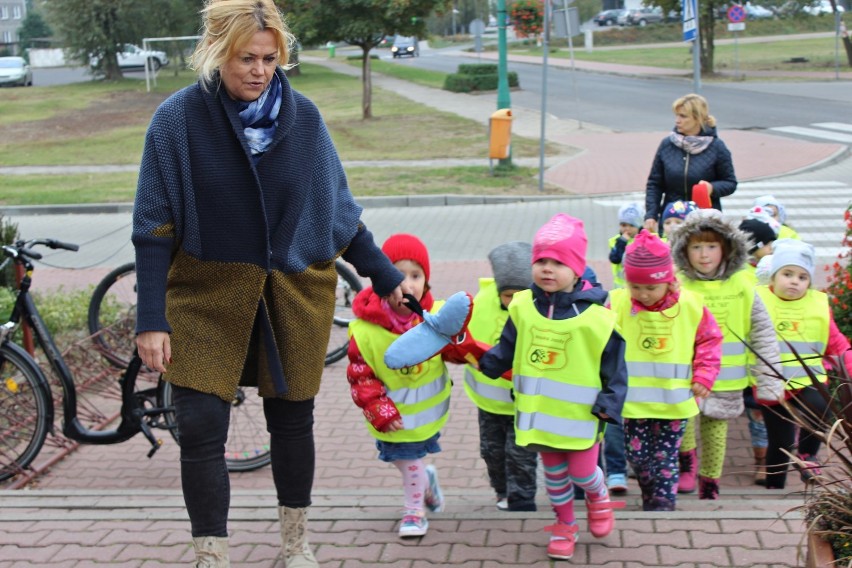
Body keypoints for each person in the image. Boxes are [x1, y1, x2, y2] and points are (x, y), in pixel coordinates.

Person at [131, 2, 406, 565]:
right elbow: (153, 229)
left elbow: (339, 215)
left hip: (292, 292)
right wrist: (150, 319)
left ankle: (296, 544)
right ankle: (211, 553)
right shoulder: (177, 120)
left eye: (269, 58)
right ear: (215, 52)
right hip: (205, 297)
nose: (258, 71)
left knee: (291, 421)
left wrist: (385, 274)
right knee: (202, 424)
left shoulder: (303, 120)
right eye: (245, 58)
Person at [478, 214, 628, 561]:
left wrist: (610, 403)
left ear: (576, 270)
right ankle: (565, 524)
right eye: (541, 260)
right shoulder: (523, 308)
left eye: (558, 262)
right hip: (540, 415)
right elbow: (509, 345)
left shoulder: (596, 318)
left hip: (581, 418)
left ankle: (599, 496)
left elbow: (616, 367)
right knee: (555, 476)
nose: (547, 268)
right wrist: (491, 361)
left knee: (582, 472)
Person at [608, 231, 722, 511]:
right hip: (633, 403)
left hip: (674, 402)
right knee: (637, 457)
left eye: (650, 288)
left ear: (668, 282)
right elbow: (602, 340)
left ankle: (662, 505)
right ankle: (651, 492)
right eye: (635, 287)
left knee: (665, 456)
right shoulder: (618, 303)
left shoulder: (691, 306)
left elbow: (709, 340)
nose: (642, 295)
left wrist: (704, 376)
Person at [669, 211, 779, 497]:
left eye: (711, 246)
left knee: (716, 433)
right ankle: (687, 465)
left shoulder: (744, 284)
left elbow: (763, 333)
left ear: (727, 247)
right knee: (683, 427)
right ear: (684, 249)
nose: (704, 255)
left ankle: (710, 482)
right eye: (696, 247)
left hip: (725, 379)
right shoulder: (677, 283)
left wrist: (768, 381)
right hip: (683, 376)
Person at [346, 234, 449, 538]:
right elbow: (360, 374)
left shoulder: (434, 320)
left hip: (422, 417)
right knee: (402, 460)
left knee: (410, 459)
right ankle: (426, 482)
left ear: (426, 282)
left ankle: (414, 512)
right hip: (388, 415)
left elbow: (458, 347)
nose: (409, 284)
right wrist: (378, 407)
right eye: (399, 274)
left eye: (416, 275)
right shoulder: (366, 330)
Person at [756, 239, 852, 489]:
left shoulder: (817, 305)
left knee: (822, 405)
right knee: (781, 439)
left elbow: (836, 342)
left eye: (802, 277)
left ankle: (809, 456)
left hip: (808, 378)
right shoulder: (757, 301)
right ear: (773, 278)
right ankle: (774, 484)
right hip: (771, 382)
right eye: (787, 274)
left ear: (809, 282)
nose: (794, 281)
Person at [462, 241, 539, 512]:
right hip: (490, 405)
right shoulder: (479, 305)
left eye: (521, 294)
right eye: (508, 295)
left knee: (521, 455)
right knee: (492, 452)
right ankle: (502, 490)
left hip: (525, 404)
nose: (515, 301)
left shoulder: (540, 311)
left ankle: (523, 500)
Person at [643, 93, 737, 233]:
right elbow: (655, 184)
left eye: (683, 116)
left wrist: (712, 188)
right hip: (672, 221)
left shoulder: (717, 147)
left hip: (705, 221)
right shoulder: (667, 145)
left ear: (697, 118)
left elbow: (730, 182)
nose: (677, 120)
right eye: (676, 115)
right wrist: (651, 214)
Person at [608, 202, 644, 289]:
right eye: (624, 225)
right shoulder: (616, 241)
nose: (627, 228)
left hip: (639, 284)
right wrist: (622, 243)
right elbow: (615, 259)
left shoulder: (643, 240)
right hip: (620, 285)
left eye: (632, 225)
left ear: (639, 226)